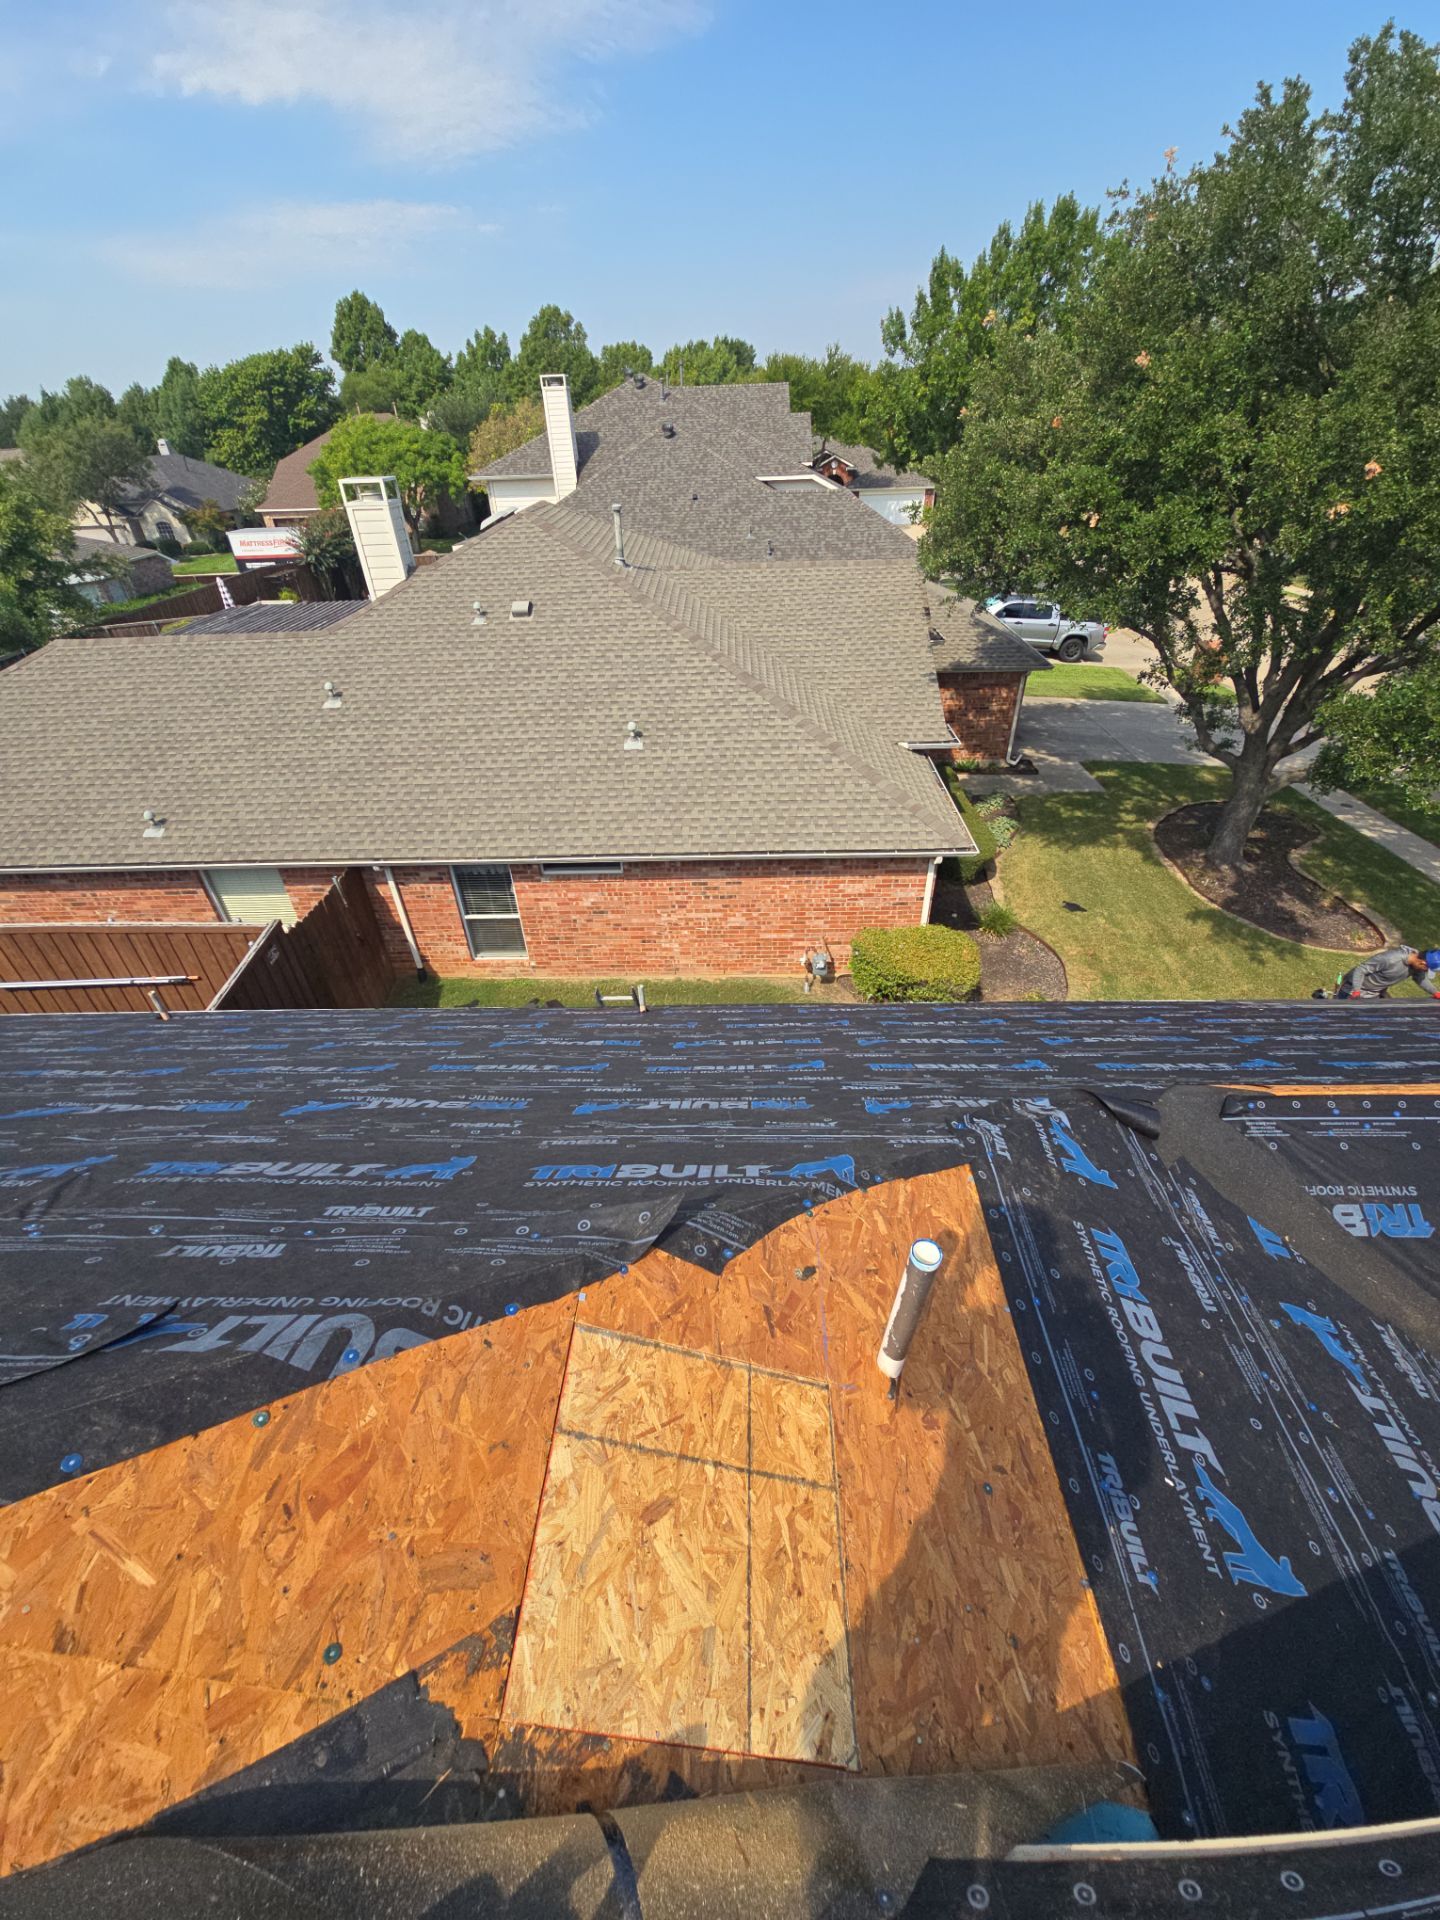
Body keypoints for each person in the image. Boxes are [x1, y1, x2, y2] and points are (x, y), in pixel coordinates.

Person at [1314, 946, 1440, 1000]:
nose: (1425, 972)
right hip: (1352, 990)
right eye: (1426, 969)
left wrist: (1436, 993)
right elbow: (1361, 969)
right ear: (1422, 963)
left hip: (1374, 993)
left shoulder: (1416, 967)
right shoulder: (1391, 959)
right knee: (1340, 1020)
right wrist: (1356, 990)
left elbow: (1420, 979)